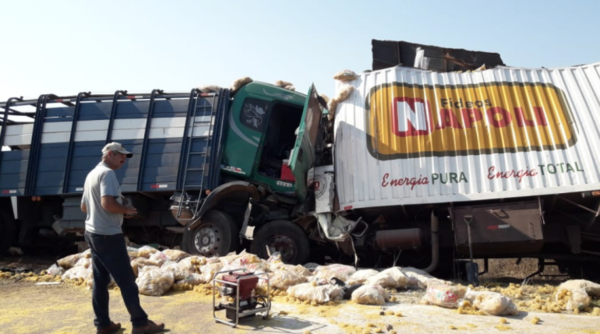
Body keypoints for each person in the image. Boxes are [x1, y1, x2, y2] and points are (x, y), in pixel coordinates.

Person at [81, 142, 165, 334]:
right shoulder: (108, 174)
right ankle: (140, 323)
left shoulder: (91, 174)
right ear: (109, 154)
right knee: (126, 281)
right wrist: (126, 210)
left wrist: (114, 212)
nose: (123, 160)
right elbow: (107, 204)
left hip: (93, 233)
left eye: (125, 157)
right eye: (121, 156)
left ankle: (103, 324)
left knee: (100, 281)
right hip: (108, 235)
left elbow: (84, 207)